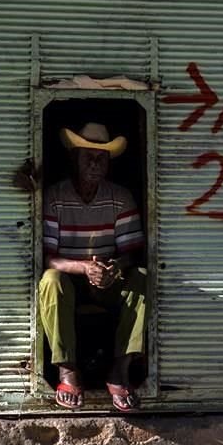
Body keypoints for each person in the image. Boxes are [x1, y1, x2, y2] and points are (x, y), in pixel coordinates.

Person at [38, 122, 148, 411]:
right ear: (74, 158)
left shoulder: (120, 197)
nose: (96, 164)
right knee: (50, 279)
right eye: (89, 156)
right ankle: (68, 371)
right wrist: (85, 267)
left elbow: (132, 252)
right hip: (71, 280)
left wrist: (113, 269)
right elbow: (48, 256)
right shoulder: (54, 197)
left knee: (141, 277)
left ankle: (120, 370)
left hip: (108, 281)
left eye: (102, 158)